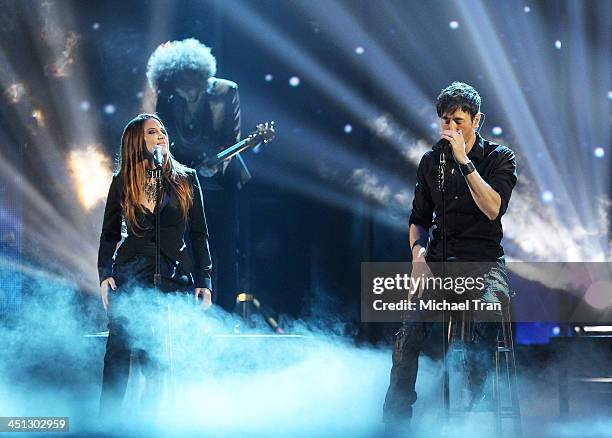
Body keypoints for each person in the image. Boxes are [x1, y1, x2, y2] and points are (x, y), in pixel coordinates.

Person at [383, 82, 518, 432]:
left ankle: (472, 409)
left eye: (458, 120)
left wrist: (464, 162)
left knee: (486, 317)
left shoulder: (500, 158)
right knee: (407, 334)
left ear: (477, 120)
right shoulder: (431, 162)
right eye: (445, 120)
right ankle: (394, 424)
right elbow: (417, 221)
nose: (451, 128)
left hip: (484, 266)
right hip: (440, 264)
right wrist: (418, 256)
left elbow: (492, 209)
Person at [97, 113, 212, 417]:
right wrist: (104, 273)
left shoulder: (186, 178)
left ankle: (150, 421)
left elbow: (199, 234)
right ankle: (106, 421)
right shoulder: (122, 181)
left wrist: (205, 280)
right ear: (137, 141)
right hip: (130, 273)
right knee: (119, 350)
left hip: (172, 271)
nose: (161, 135)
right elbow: (109, 233)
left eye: (162, 130)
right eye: (152, 132)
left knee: (157, 352)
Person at [146, 38, 249, 310]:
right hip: (181, 180)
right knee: (186, 246)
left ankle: (226, 312)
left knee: (223, 247)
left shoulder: (226, 92)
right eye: (181, 88)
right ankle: (191, 309)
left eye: (192, 87)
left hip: (219, 183)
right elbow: (160, 139)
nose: (188, 93)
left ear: (202, 77)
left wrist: (216, 164)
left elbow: (232, 138)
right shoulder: (167, 96)